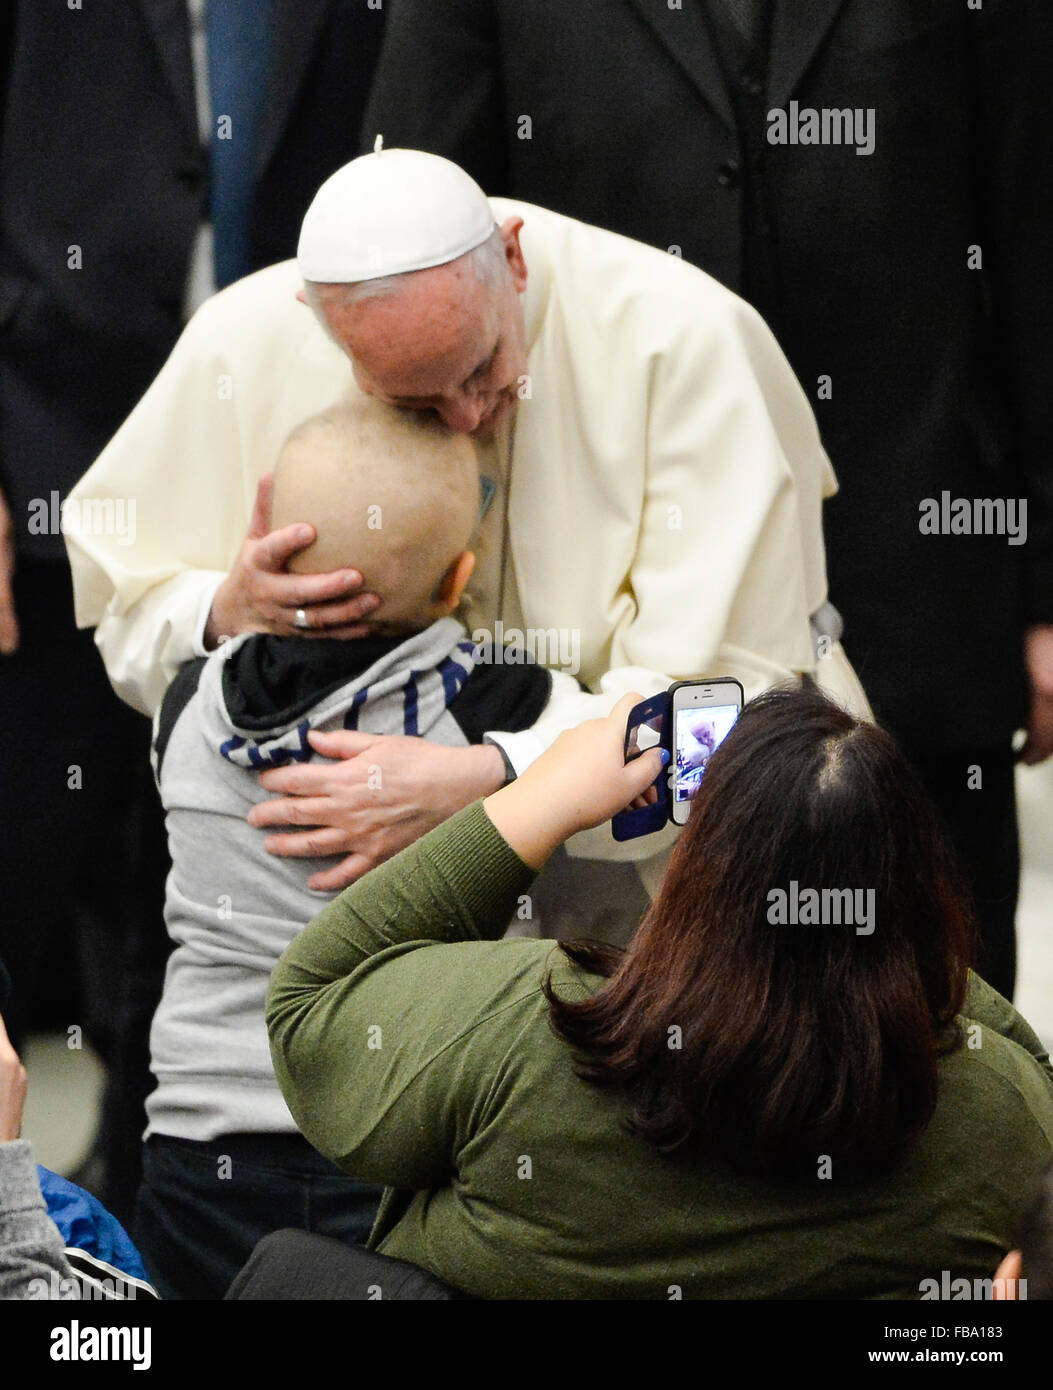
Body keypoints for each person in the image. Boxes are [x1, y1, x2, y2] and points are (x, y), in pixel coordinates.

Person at [362, 0, 1053, 1000]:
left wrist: (1045, 590)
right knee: (656, 1019)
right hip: (613, 584)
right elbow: (403, 255)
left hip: (919, 551)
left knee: (948, 1009)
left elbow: (1034, 239)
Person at [64, 146, 870, 946]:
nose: (466, 418)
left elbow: (725, 734)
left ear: (512, 259)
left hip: (662, 915)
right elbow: (126, 618)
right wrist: (224, 609)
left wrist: (498, 782)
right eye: (413, 400)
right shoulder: (241, 341)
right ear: (322, 325)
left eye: (482, 368)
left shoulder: (687, 342)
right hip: (365, 945)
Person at [267, 686, 1053, 1300]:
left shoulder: (523, 1027)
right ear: (916, 882)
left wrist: (534, 801)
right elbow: (1025, 1060)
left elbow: (311, 1001)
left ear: (694, 867)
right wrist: (891, 936)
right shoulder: (996, 1117)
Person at [0, 0, 386, 1222]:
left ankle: (139, 1199)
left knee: (210, 865)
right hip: (38, 451)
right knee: (29, 839)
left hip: (289, 478)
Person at [137, 396, 585, 1300]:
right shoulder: (492, 708)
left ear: (263, 529)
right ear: (459, 578)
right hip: (389, 1136)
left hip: (196, 1145)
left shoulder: (185, 700)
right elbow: (635, 746)